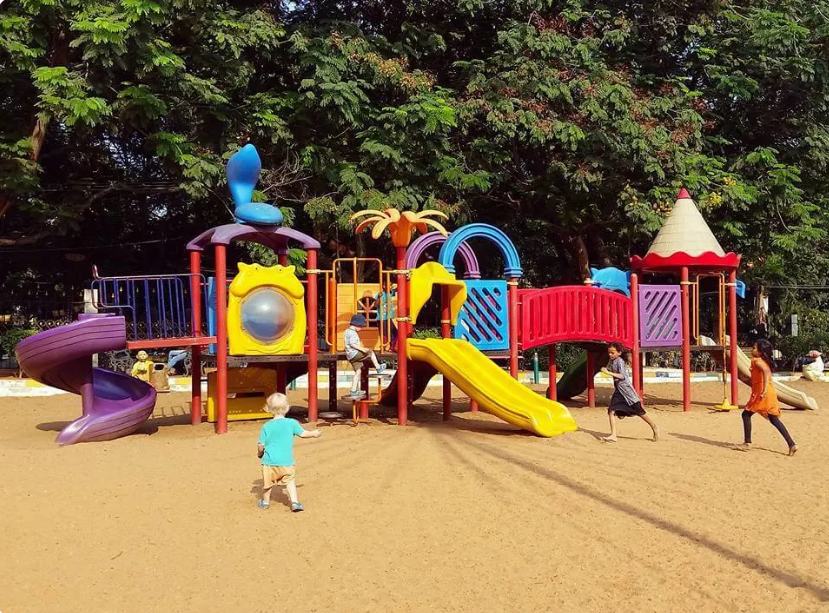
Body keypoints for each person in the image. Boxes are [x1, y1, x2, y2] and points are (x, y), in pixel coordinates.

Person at [257, 393, 321, 511]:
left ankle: (265, 502)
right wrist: (314, 434)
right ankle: (295, 502)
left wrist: (259, 454)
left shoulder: (266, 426)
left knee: (267, 484)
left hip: (269, 462)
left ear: (269, 409)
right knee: (290, 481)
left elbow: (261, 445)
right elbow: (303, 434)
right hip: (286, 461)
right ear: (287, 408)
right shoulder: (292, 423)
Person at [740, 339, 798, 455]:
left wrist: (764, 390)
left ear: (761, 352)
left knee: (746, 414)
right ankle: (792, 444)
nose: (752, 349)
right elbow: (758, 377)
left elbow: (766, 372)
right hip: (769, 393)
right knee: (774, 419)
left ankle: (747, 443)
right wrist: (746, 379)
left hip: (762, 393)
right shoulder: (761, 361)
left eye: (755, 348)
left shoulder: (756, 361)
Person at [600, 342, 658, 443]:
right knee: (611, 411)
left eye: (612, 353)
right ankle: (613, 435)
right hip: (619, 391)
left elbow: (622, 376)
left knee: (639, 412)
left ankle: (653, 426)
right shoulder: (612, 361)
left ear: (619, 353)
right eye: (609, 353)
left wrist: (608, 372)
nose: (610, 355)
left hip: (627, 392)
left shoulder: (619, 361)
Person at [344, 314, 386, 398]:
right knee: (370, 352)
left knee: (358, 372)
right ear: (357, 324)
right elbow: (352, 344)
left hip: (350, 356)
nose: (361, 329)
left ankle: (353, 391)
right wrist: (362, 349)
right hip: (354, 353)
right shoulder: (353, 333)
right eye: (361, 327)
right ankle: (378, 367)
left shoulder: (347, 331)